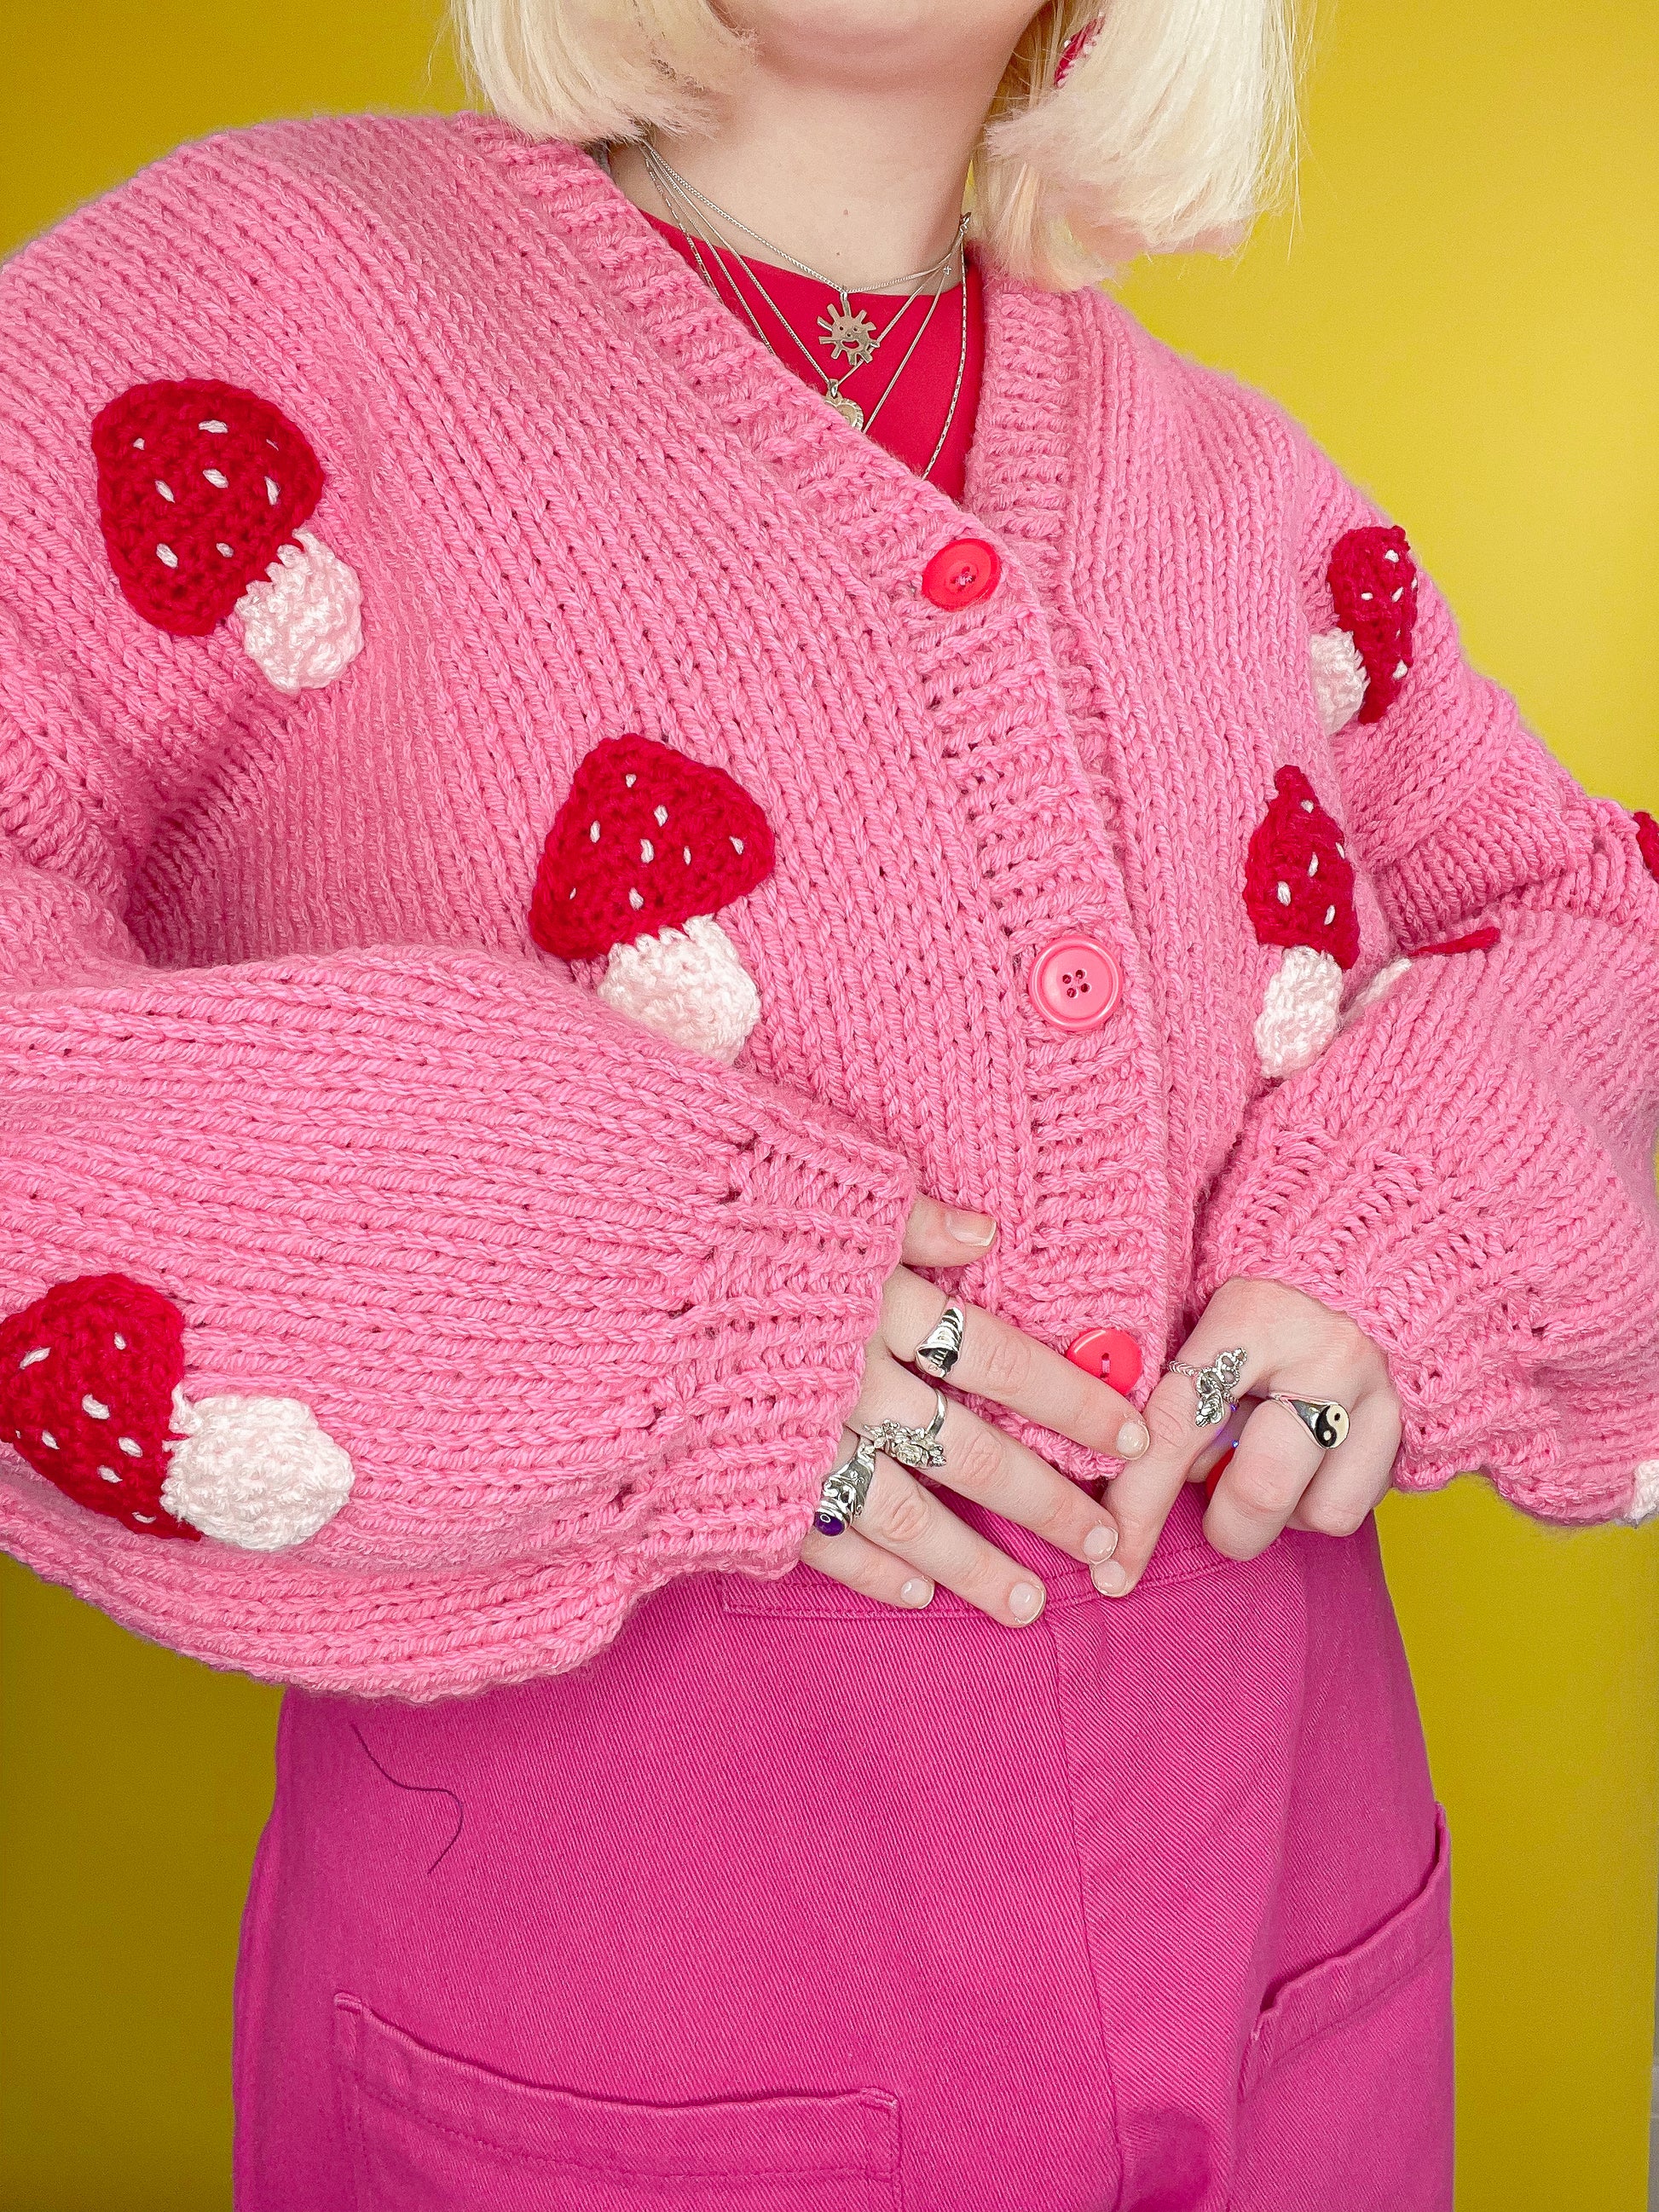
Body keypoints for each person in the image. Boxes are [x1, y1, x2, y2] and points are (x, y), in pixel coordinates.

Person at [1, 2, 1655, 2205]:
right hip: (612, 1942)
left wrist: (1405, 1230)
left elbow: (1584, 927)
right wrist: (621, 1286)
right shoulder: (276, 291)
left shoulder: (1246, 491)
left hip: (1281, 1870)